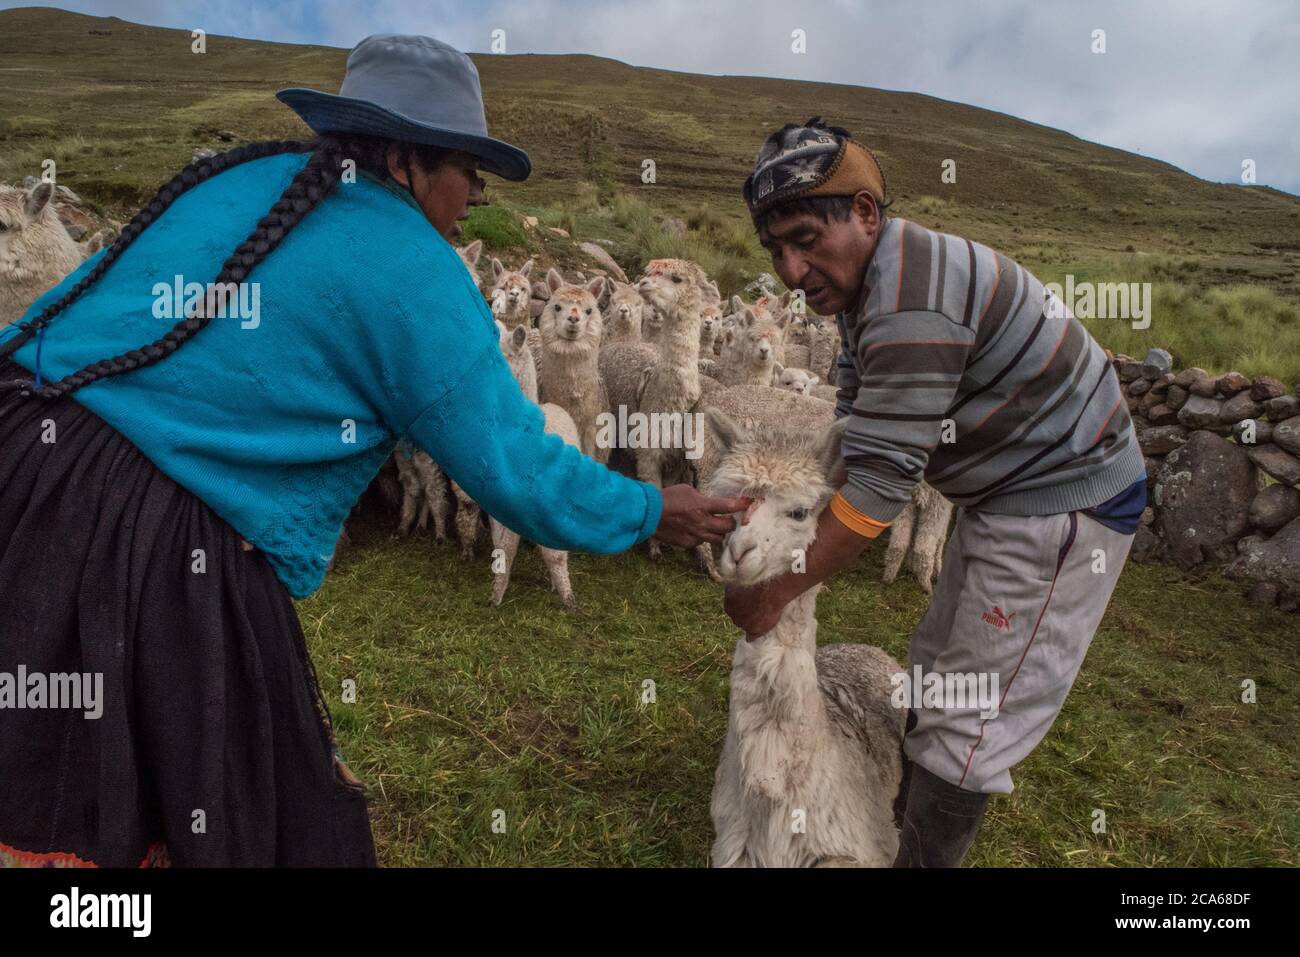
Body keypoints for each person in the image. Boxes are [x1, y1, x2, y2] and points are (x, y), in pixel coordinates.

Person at [0, 34, 747, 867]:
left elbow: (53, 313)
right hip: (150, 535)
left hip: (23, 464)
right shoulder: (415, 269)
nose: (475, 195)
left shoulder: (229, 181)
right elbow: (516, 464)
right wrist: (651, 506)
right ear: (405, 157)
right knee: (202, 798)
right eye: (468, 168)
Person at [724, 118, 1146, 867]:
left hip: (1061, 502)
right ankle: (891, 823)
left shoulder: (912, 300)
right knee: (932, 672)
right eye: (776, 251)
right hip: (1007, 491)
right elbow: (858, 434)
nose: (791, 270)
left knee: (968, 715)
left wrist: (781, 588)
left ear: (863, 213)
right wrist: (801, 529)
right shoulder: (867, 291)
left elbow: (882, 488)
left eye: (805, 240)